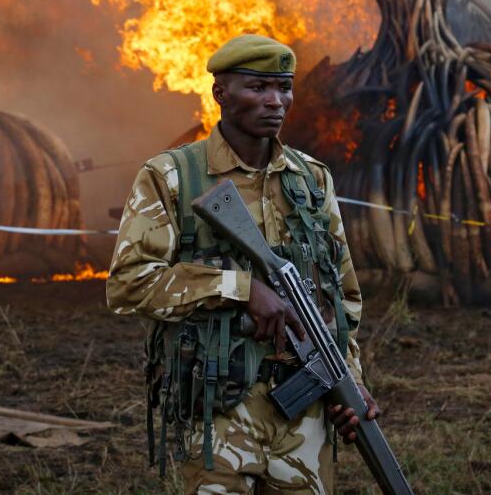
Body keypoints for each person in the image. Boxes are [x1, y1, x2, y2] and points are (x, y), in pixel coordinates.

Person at [106, 34, 381, 494]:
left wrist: (348, 380)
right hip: (220, 408)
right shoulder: (173, 176)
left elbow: (343, 297)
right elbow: (129, 284)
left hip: (304, 411)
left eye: (283, 87)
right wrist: (240, 289)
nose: (275, 101)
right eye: (257, 87)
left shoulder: (312, 180)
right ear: (221, 94)